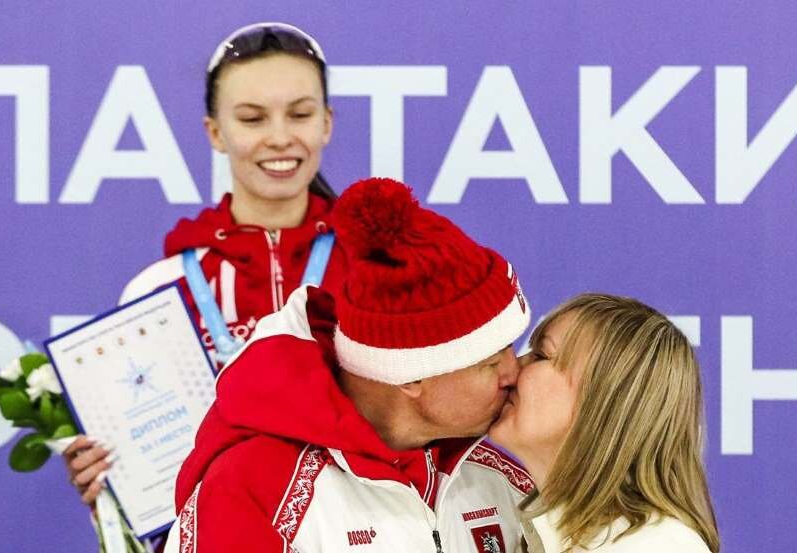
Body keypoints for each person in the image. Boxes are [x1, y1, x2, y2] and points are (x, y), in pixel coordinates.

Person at [60, 21, 346, 542]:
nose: (280, 137)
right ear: (216, 131)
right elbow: (146, 455)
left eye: (300, 114)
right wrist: (114, 476)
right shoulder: (160, 289)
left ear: (326, 123)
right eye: (252, 118)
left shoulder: (375, 269)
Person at [164, 178, 535, 552]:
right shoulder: (252, 494)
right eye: (490, 362)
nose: (513, 372)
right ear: (410, 375)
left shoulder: (500, 478)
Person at [489, 294, 720, 553]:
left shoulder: (655, 547)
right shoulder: (537, 536)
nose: (513, 368)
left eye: (541, 354)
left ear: (603, 402)